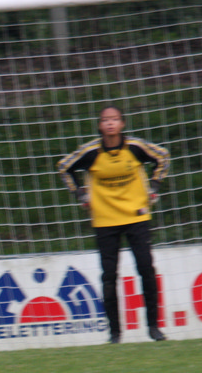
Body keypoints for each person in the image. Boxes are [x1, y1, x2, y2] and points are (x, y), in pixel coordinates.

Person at [57, 105, 171, 344]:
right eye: (105, 120)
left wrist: (155, 186)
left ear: (122, 124)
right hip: (105, 220)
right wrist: (79, 194)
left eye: (115, 119)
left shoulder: (135, 147)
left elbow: (163, 156)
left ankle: (153, 327)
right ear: (100, 125)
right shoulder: (91, 152)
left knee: (146, 269)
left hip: (137, 216)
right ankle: (115, 333)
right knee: (109, 276)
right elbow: (64, 167)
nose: (110, 123)